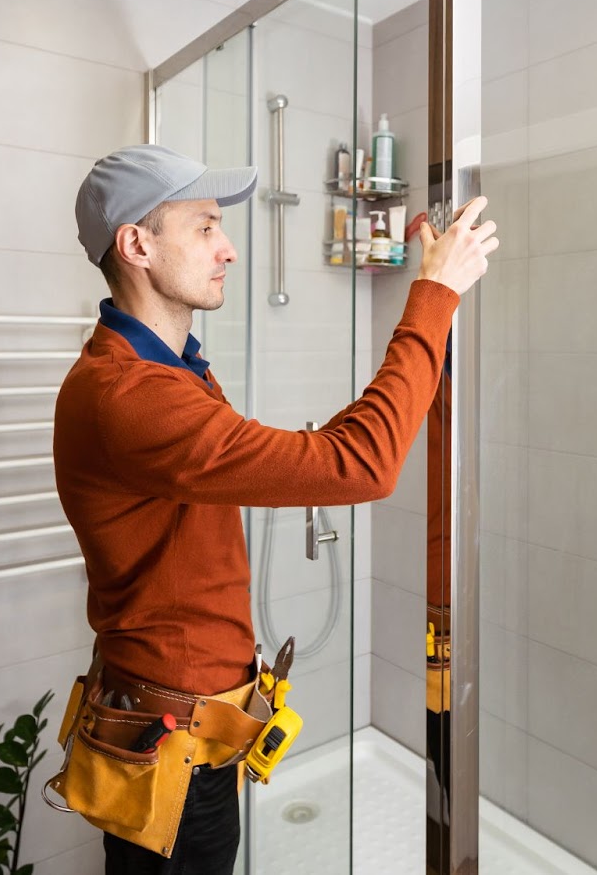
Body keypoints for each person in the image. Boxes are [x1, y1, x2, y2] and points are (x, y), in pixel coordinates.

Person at [53, 144, 497, 874]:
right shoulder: (130, 397)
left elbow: (326, 456)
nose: (228, 248)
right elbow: (362, 465)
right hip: (172, 749)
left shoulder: (172, 371)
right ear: (135, 243)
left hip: (186, 729)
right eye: (203, 228)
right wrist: (434, 295)